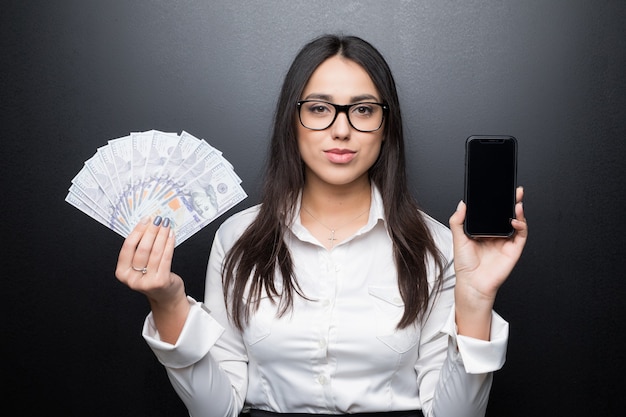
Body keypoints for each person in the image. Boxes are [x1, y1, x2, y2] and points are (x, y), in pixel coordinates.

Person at [115, 34, 528, 417]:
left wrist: (476, 302)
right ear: (291, 123)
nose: (342, 129)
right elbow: (216, 410)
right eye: (319, 109)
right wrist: (168, 305)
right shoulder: (237, 238)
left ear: (387, 128)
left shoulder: (437, 247)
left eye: (363, 109)